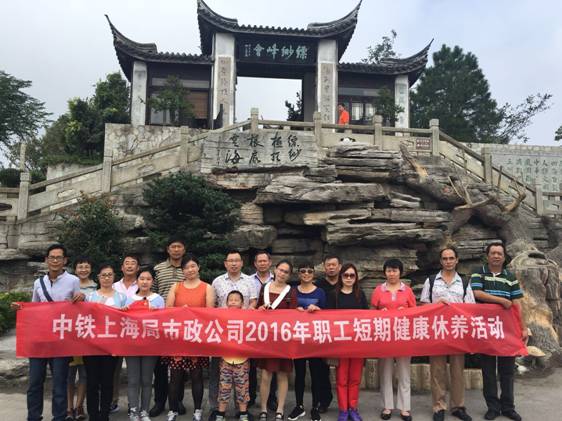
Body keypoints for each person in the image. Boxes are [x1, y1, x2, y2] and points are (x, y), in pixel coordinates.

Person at [11, 244, 84, 421]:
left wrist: (82, 297)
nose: (55, 260)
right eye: (52, 257)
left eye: (59, 257)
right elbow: (34, 308)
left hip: (61, 340)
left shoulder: (73, 281)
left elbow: (80, 309)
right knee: (35, 382)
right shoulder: (39, 282)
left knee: (59, 383)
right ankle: (33, 416)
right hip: (40, 340)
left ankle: (59, 417)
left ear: (65, 260)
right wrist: (21, 308)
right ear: (46, 260)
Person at [470, 242, 527, 421]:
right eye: (493, 253)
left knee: (507, 371)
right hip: (486, 329)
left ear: (504, 257)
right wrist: (501, 301)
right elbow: (477, 293)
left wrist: (523, 327)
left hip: (507, 330)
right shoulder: (478, 273)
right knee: (488, 371)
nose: (496, 256)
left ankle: (508, 407)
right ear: (487, 256)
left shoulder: (510, 277)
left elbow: (517, 303)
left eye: (499, 253)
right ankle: (493, 408)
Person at [420, 247, 475, 421]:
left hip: (458, 331)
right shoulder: (431, 281)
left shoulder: (464, 282)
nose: (448, 261)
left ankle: (458, 406)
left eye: (451, 258)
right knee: (437, 370)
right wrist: (437, 305)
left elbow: (471, 307)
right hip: (438, 330)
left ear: (457, 260)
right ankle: (439, 406)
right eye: (445, 258)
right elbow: (423, 306)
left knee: (458, 370)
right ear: (440, 261)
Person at [165, 254, 215, 421]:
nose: (190, 270)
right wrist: (181, 312)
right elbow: (168, 310)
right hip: (178, 337)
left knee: (196, 376)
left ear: (198, 267)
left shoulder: (207, 287)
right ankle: (172, 410)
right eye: (186, 267)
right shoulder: (176, 286)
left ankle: (198, 410)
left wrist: (192, 313)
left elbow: (209, 313)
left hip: (197, 337)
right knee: (175, 376)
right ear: (182, 270)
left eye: (193, 266)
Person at [209, 251, 257, 421]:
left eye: (237, 260)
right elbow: (212, 305)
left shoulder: (250, 281)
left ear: (242, 263)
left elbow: (253, 302)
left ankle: (241, 411)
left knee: (242, 378)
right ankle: (216, 410)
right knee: (219, 376)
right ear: (225, 263)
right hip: (222, 336)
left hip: (243, 336)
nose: (234, 263)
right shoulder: (217, 282)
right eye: (231, 261)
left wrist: (245, 315)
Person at [371, 259, 416, 421]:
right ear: (385, 272)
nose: (392, 273)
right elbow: (371, 312)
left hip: (403, 336)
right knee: (385, 372)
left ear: (400, 272)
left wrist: (406, 312)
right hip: (384, 337)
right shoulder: (378, 290)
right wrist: (380, 313)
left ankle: (405, 408)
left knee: (404, 372)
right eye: (389, 270)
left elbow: (415, 313)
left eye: (395, 270)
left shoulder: (407, 291)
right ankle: (387, 406)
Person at [84, 264, 127, 421]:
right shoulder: (90, 297)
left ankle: (104, 414)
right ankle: (93, 414)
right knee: (92, 382)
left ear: (114, 277)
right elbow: (84, 319)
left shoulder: (121, 298)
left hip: (111, 348)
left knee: (107, 381)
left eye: (109, 275)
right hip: (92, 347)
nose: (107, 278)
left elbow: (127, 321)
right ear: (98, 278)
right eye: (103, 275)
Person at [150, 237, 187, 417]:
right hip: (160, 323)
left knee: (179, 365)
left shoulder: (188, 268)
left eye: (179, 246)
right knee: (160, 366)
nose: (176, 249)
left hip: (180, 324)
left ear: (184, 249)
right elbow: (153, 292)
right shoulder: (158, 269)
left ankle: (177, 400)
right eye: (173, 246)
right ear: (168, 249)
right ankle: (159, 401)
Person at [326, 263, 368, 421]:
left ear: (356, 278)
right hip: (340, 343)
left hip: (358, 343)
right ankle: (343, 410)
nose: (349, 278)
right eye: (346, 275)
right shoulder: (333, 295)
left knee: (355, 378)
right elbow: (327, 318)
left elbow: (367, 317)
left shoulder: (360, 294)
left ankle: (353, 408)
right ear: (341, 277)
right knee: (342, 379)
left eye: (352, 275)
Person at [257, 260, 298, 421]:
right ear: (275, 270)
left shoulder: (291, 292)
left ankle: (280, 409)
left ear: (289, 275)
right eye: (280, 270)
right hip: (267, 338)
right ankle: (263, 408)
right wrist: (260, 309)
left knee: (282, 375)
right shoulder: (264, 288)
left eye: (286, 272)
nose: (282, 273)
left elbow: (293, 315)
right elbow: (257, 309)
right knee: (265, 375)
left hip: (283, 339)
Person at [125, 269, 165, 421]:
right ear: (137, 281)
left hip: (150, 346)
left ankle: (144, 411)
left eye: (148, 279)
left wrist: (157, 313)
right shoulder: (128, 298)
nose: (145, 282)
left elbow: (164, 322)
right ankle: (133, 411)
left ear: (152, 281)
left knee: (147, 380)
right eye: (142, 278)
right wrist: (124, 311)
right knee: (133, 380)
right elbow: (121, 321)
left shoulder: (158, 299)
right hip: (132, 346)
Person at [288, 262, 326, 421]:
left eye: (310, 271)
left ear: (313, 274)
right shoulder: (292, 291)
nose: (306, 274)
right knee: (300, 374)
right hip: (298, 339)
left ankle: (315, 407)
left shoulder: (320, 292)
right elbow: (286, 314)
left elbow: (328, 315)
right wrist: (294, 311)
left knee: (316, 375)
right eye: (303, 271)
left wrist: (318, 310)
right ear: (298, 274)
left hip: (315, 340)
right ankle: (299, 406)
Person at [66, 257, 98, 421]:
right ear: (75, 269)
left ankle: (79, 406)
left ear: (91, 269)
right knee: (69, 374)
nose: (83, 270)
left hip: (88, 335)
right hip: (70, 335)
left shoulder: (96, 287)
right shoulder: (69, 285)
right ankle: (68, 408)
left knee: (85, 374)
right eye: (80, 267)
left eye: (86, 267)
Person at [110, 254, 141, 414]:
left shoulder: (143, 284)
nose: (129, 266)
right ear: (121, 268)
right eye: (126, 263)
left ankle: (133, 403)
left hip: (136, 333)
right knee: (113, 370)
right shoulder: (113, 286)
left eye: (133, 263)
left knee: (134, 372)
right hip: (116, 333)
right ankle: (113, 401)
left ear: (138, 268)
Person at [216, 290, 251, 421]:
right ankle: (220, 414)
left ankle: (243, 414)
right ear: (226, 302)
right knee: (224, 388)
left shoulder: (248, 317)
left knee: (242, 388)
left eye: (236, 300)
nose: (233, 302)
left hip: (242, 360)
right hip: (225, 360)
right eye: (230, 299)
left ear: (242, 303)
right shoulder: (221, 317)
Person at [249, 250, 277, 410]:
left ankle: (271, 398)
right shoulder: (248, 280)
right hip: (253, 328)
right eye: (259, 261)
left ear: (270, 262)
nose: (262, 263)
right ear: (255, 264)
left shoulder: (277, 279)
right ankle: (251, 396)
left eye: (265, 261)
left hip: (272, 330)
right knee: (251, 365)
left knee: (271, 364)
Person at [314, 255, 341, 412]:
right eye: (328, 265)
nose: (331, 267)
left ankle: (346, 404)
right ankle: (324, 400)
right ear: (324, 267)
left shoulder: (345, 283)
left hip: (342, 332)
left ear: (339, 266)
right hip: (322, 331)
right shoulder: (318, 285)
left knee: (342, 370)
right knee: (321, 369)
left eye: (334, 265)